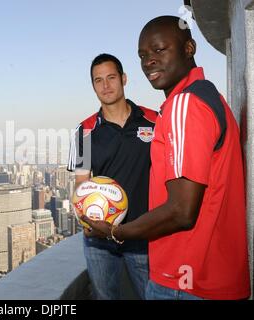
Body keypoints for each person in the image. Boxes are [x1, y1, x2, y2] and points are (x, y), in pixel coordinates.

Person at [81, 16, 251, 300]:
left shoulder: (174, 109)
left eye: (160, 50)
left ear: (189, 48)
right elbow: (81, 182)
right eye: (143, 56)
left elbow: (182, 210)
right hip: (191, 271)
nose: (149, 61)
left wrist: (116, 232)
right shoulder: (84, 131)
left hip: (183, 277)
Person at [68, 53, 157, 300]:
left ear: (124, 79)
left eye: (111, 77)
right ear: (93, 86)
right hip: (100, 240)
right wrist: (87, 223)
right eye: (98, 80)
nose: (105, 86)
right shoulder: (84, 131)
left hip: (144, 234)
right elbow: (81, 183)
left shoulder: (155, 121)